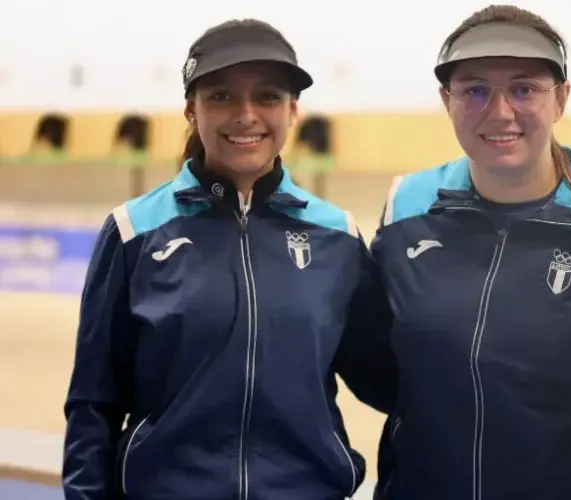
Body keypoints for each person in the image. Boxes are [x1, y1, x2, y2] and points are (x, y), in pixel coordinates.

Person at [62, 19, 392, 500]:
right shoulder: (134, 232)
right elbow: (94, 403)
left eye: (267, 97)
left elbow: (390, 382)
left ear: (292, 110)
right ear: (191, 110)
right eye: (220, 96)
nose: (246, 115)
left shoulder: (335, 236)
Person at [368, 5, 571, 499]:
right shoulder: (405, 208)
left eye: (524, 89)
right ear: (448, 100)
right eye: (475, 90)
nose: (500, 112)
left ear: (561, 99)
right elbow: (371, 358)